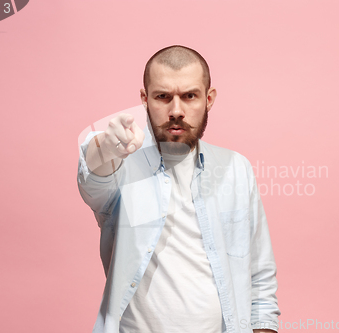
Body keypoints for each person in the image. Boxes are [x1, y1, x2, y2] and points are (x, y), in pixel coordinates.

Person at [77, 45, 280, 333]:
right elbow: (92, 178)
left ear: (209, 99)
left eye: (189, 96)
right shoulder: (122, 167)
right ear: (144, 99)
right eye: (163, 97)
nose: (176, 111)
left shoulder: (236, 168)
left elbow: (260, 275)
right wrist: (104, 147)